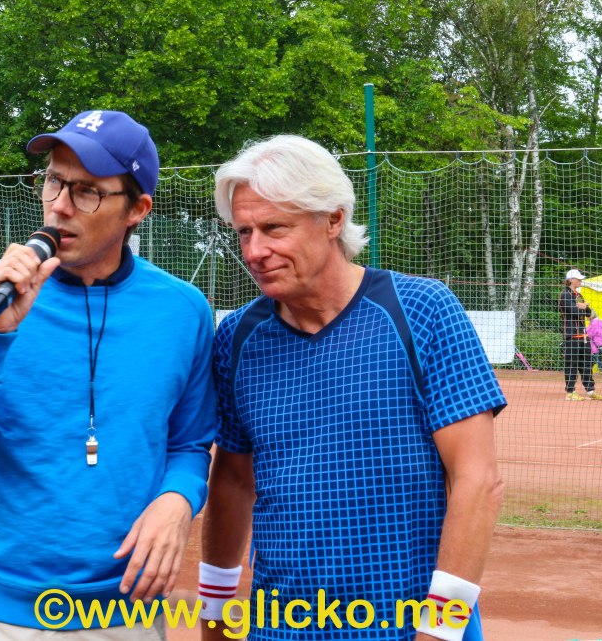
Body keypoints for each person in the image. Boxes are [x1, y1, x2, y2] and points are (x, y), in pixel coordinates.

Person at [0, 110, 216, 637]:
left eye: (88, 191)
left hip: (124, 615)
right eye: (53, 180)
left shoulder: (183, 311)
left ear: (137, 209)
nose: (60, 206)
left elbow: (188, 444)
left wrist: (178, 500)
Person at [199, 135, 506, 641]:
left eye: (274, 228)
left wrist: (439, 630)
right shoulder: (237, 335)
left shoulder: (423, 310)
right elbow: (232, 481)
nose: (255, 251)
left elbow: (477, 479)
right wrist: (215, 617)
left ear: (333, 219)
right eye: (244, 232)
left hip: (411, 625)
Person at [558, 269, 602, 402]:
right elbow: (572, 311)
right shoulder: (565, 295)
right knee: (571, 364)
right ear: (571, 280)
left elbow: (589, 313)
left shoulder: (578, 295)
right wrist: (581, 307)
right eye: (578, 279)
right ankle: (570, 392)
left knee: (586, 364)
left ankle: (590, 390)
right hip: (571, 334)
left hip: (583, 335)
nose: (580, 281)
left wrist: (584, 307)